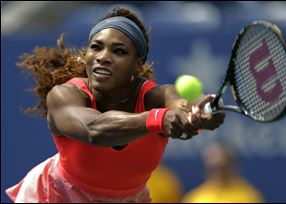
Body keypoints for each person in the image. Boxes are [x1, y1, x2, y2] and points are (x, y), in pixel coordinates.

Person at [6, 7, 225, 203]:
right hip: (57, 197)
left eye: (119, 51)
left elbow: (182, 100)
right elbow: (95, 129)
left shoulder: (154, 95)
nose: (103, 57)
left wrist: (204, 108)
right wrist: (159, 118)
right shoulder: (64, 95)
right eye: (96, 47)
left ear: (137, 65)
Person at [181, 141, 264, 203]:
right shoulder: (193, 199)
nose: (219, 173)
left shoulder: (249, 197)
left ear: (233, 166)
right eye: (213, 168)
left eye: (223, 167)